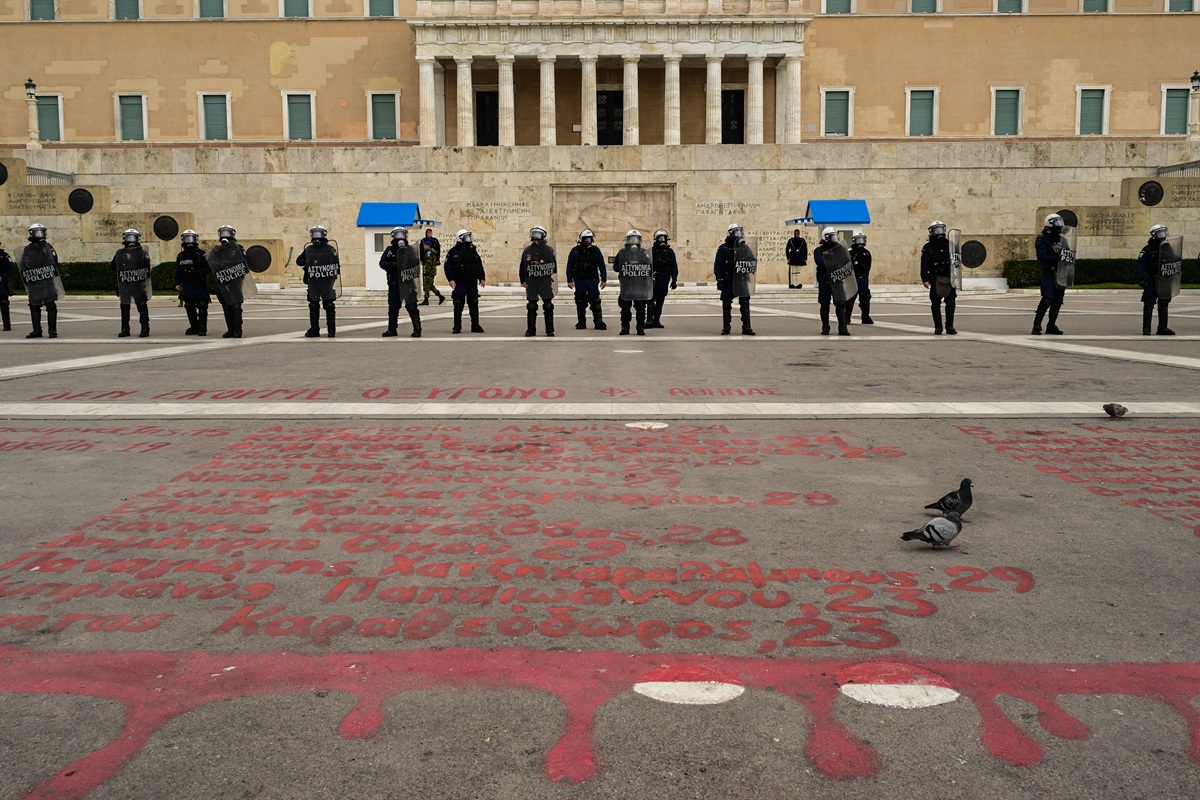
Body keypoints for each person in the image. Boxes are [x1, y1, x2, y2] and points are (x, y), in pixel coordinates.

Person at [18, 223, 61, 339]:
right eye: (37, 232)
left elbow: (54, 262)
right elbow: (23, 264)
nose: (39, 234)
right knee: (34, 306)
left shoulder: (48, 247)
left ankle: (52, 331)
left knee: (51, 305)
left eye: (41, 231)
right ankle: (37, 330)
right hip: (34, 281)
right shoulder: (28, 249)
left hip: (47, 281)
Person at [296, 225, 340, 338]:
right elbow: (298, 260)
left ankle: (331, 331)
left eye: (318, 233)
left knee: (329, 305)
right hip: (313, 281)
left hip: (326, 281)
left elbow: (336, 264)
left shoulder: (330, 249)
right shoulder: (309, 249)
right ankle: (314, 329)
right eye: (314, 233)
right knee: (313, 305)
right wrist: (307, 261)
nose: (316, 236)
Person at [110, 228, 153, 338]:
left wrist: (134, 259)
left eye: (133, 237)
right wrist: (124, 258)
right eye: (129, 237)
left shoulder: (142, 253)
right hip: (125, 284)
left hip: (138, 284)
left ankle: (145, 328)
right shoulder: (120, 254)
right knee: (124, 307)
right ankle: (125, 329)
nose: (131, 240)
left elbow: (146, 266)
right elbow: (113, 265)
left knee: (142, 307)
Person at [380, 226, 422, 338]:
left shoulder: (410, 250)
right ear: (393, 236)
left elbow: (416, 264)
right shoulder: (389, 250)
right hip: (394, 283)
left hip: (408, 283)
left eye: (402, 234)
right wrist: (392, 265)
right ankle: (392, 330)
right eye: (398, 234)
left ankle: (417, 329)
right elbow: (382, 263)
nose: (400, 237)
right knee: (393, 307)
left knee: (412, 306)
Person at [714, 222, 755, 336]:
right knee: (726, 304)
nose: (739, 234)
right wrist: (719, 279)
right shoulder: (723, 248)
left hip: (741, 279)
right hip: (728, 279)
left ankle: (746, 326)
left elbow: (752, 259)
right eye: (736, 231)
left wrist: (751, 266)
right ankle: (726, 327)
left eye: (740, 231)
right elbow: (718, 264)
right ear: (731, 233)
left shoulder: (744, 247)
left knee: (745, 302)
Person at [1136, 224, 1176, 336]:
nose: (1163, 235)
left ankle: (1162, 328)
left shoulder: (1168, 248)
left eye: (1164, 232)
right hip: (1152, 278)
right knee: (1148, 303)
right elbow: (1140, 264)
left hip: (1164, 279)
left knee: (1164, 303)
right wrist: (1141, 278)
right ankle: (1146, 328)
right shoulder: (1147, 249)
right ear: (1154, 234)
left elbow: (1174, 261)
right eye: (1160, 232)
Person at [444, 228, 486, 334]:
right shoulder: (453, 252)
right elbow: (448, 266)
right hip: (460, 281)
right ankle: (457, 326)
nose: (469, 239)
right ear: (460, 238)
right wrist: (451, 279)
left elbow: (478, 264)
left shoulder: (472, 251)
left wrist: (482, 278)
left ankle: (475, 325)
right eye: (466, 237)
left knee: (473, 303)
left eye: (469, 236)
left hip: (471, 281)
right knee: (458, 303)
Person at [1032, 214, 1067, 335]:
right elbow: (1041, 257)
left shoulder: (1063, 240)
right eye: (1057, 222)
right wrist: (1056, 258)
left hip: (1060, 273)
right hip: (1048, 272)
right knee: (1047, 299)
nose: (1059, 225)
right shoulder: (1043, 240)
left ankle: (1051, 325)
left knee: (1058, 300)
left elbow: (1068, 253)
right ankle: (1037, 325)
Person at [566, 228, 607, 330]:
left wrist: (604, 279)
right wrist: (569, 280)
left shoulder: (595, 251)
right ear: (582, 239)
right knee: (580, 301)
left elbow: (601, 265)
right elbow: (569, 266)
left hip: (592, 279)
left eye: (589, 239)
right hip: (579, 280)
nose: (588, 241)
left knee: (595, 301)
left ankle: (598, 322)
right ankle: (581, 322)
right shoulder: (575, 251)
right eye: (586, 239)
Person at [920, 220, 957, 335]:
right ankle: (938, 327)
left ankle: (950, 326)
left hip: (949, 277)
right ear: (931, 232)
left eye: (941, 229)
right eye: (936, 230)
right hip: (935, 278)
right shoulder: (927, 247)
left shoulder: (950, 245)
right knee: (935, 303)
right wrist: (925, 279)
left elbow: (956, 261)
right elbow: (924, 264)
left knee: (950, 302)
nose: (939, 232)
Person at [520, 225, 557, 337]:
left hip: (545, 281)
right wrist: (523, 280)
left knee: (548, 306)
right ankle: (531, 330)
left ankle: (549, 330)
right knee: (531, 306)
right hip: (532, 281)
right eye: (534, 234)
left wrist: (541, 265)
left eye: (538, 234)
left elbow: (553, 266)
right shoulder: (527, 250)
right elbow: (523, 266)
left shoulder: (548, 250)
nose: (536, 237)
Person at [615, 229, 653, 336]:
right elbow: (615, 267)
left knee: (641, 309)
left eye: (635, 238)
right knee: (625, 308)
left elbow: (649, 267)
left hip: (639, 284)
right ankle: (625, 327)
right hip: (627, 284)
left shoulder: (643, 253)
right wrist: (625, 265)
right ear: (627, 240)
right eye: (631, 238)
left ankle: (640, 328)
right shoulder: (622, 252)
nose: (633, 241)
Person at [212, 225, 247, 338]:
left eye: (227, 232)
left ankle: (238, 330)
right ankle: (231, 330)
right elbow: (211, 264)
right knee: (226, 305)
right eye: (223, 232)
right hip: (223, 281)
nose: (224, 235)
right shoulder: (216, 250)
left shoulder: (238, 248)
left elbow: (244, 263)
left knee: (236, 305)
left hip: (235, 281)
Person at [812, 228, 849, 336]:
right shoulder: (819, 250)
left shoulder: (839, 249)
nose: (835, 238)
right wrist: (832, 260)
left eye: (835, 235)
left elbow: (844, 261)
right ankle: (825, 327)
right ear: (826, 237)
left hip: (837, 280)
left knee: (841, 304)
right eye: (832, 236)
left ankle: (843, 328)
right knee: (824, 305)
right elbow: (821, 262)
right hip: (825, 281)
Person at [174, 229, 210, 336]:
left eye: (191, 238)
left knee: (202, 305)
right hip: (187, 283)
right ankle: (194, 327)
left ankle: (202, 328)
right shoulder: (181, 256)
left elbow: (208, 269)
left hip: (200, 283)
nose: (189, 241)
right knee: (189, 305)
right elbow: (178, 270)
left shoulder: (201, 254)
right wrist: (177, 283)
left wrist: (197, 272)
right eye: (187, 238)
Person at [646, 229, 678, 329]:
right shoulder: (651, 251)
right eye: (660, 238)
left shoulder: (669, 252)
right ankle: (649, 320)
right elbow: (647, 265)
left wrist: (674, 280)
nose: (662, 240)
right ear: (656, 239)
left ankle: (656, 320)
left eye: (663, 238)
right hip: (654, 277)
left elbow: (673, 266)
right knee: (651, 300)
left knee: (660, 300)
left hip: (664, 278)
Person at [849, 230, 874, 325]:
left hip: (863, 278)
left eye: (861, 239)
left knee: (865, 298)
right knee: (850, 299)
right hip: (853, 278)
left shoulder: (866, 253)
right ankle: (847, 317)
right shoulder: (850, 253)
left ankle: (865, 316)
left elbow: (868, 266)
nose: (860, 242)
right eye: (858, 240)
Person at [419, 227, 445, 306]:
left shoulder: (429, 252)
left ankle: (439, 297)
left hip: (429, 271)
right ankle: (429, 299)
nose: (424, 246)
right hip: (429, 270)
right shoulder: (427, 250)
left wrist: (427, 272)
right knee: (428, 285)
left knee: (428, 285)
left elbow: (430, 264)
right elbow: (421, 251)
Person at [0, 240, 14, 332]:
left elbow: (10, 268)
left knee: (4, 304)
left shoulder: (4, 256)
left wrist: (2, 277)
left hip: (1, 285)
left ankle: (7, 325)